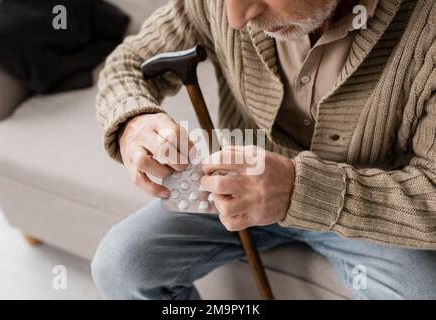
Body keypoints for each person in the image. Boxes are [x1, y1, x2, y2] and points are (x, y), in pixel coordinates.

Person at [92, 0, 436, 299]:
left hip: (372, 206)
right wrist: (133, 120)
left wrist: (298, 191)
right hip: (234, 188)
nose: (237, 17)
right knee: (120, 265)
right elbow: (128, 64)